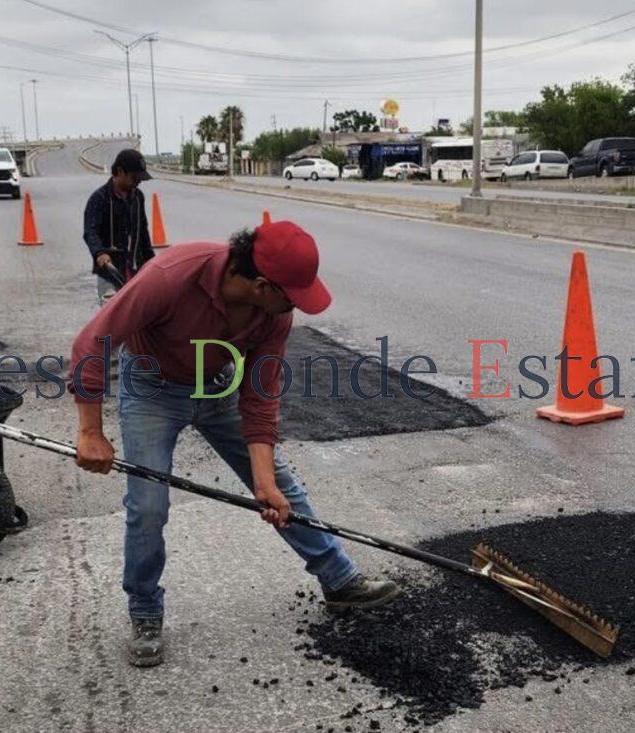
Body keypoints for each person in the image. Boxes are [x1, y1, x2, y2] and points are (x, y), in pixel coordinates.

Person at [70, 214, 400, 667]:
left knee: (282, 486)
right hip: (151, 387)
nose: (297, 307)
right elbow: (94, 341)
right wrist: (90, 432)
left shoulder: (273, 317)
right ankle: (145, 610)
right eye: (293, 296)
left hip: (216, 384)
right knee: (148, 506)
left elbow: (260, 400)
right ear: (262, 285)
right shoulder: (172, 275)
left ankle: (339, 580)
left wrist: (263, 481)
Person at [83, 148, 155, 305]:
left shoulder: (137, 197)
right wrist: (99, 252)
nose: (138, 182)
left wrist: (152, 262)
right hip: (110, 271)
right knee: (113, 318)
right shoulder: (99, 198)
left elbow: (143, 232)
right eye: (135, 177)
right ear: (120, 171)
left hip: (136, 268)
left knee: (139, 315)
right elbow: (90, 231)